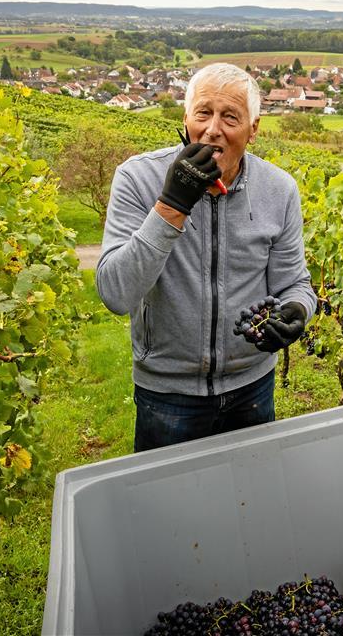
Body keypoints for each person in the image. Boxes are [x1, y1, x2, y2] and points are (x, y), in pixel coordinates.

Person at [96, 62, 316, 451]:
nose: (213, 129)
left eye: (230, 116)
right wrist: (171, 205)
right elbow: (115, 292)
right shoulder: (137, 178)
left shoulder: (279, 190)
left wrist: (297, 310)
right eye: (203, 113)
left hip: (253, 386)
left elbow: (294, 284)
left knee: (248, 502)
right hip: (167, 394)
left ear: (253, 129)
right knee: (169, 507)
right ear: (186, 118)